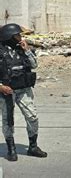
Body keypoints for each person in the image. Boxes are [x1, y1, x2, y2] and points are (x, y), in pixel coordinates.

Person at [0, 23, 47, 161]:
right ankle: (11, 149)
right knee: (8, 121)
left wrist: (27, 50)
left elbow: (34, 65)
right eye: (17, 35)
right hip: (7, 92)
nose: (20, 37)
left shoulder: (22, 49)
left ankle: (33, 146)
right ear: (9, 36)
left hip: (24, 90)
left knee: (32, 117)